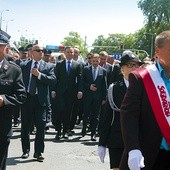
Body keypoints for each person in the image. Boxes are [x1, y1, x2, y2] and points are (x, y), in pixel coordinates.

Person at [120, 30, 170, 170]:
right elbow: (129, 115)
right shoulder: (141, 78)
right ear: (158, 51)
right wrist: (133, 148)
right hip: (149, 155)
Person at [98, 50, 142, 170]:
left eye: (136, 65)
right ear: (122, 68)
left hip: (138, 139)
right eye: (129, 65)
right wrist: (102, 143)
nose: (133, 68)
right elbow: (107, 117)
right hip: (117, 139)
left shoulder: (145, 87)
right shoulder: (115, 88)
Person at [20, 44, 56, 162]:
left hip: (41, 101)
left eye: (42, 51)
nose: (41, 52)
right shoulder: (24, 65)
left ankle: (38, 152)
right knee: (25, 126)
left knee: (41, 126)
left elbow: (52, 80)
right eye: (38, 50)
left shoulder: (48, 66)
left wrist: (39, 75)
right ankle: (25, 150)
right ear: (31, 52)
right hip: (27, 99)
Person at [0, 30, 27, 170]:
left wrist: (4, 100)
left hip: (2, 125)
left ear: (6, 49)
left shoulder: (14, 70)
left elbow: (21, 96)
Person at [53, 46, 83, 140]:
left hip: (71, 92)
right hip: (60, 92)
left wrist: (80, 90)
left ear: (74, 54)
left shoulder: (77, 65)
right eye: (68, 52)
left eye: (71, 52)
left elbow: (80, 79)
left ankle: (65, 131)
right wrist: (53, 90)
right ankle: (58, 130)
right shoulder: (59, 64)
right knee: (59, 111)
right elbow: (55, 78)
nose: (70, 54)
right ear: (65, 53)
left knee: (68, 112)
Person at [82, 53, 107, 141]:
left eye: (97, 61)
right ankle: (84, 129)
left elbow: (104, 85)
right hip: (88, 96)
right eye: (94, 61)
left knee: (96, 116)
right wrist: (89, 86)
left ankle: (93, 133)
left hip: (98, 97)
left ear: (99, 61)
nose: (95, 62)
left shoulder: (103, 71)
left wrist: (104, 98)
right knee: (86, 114)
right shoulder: (86, 69)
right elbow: (82, 82)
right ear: (91, 61)